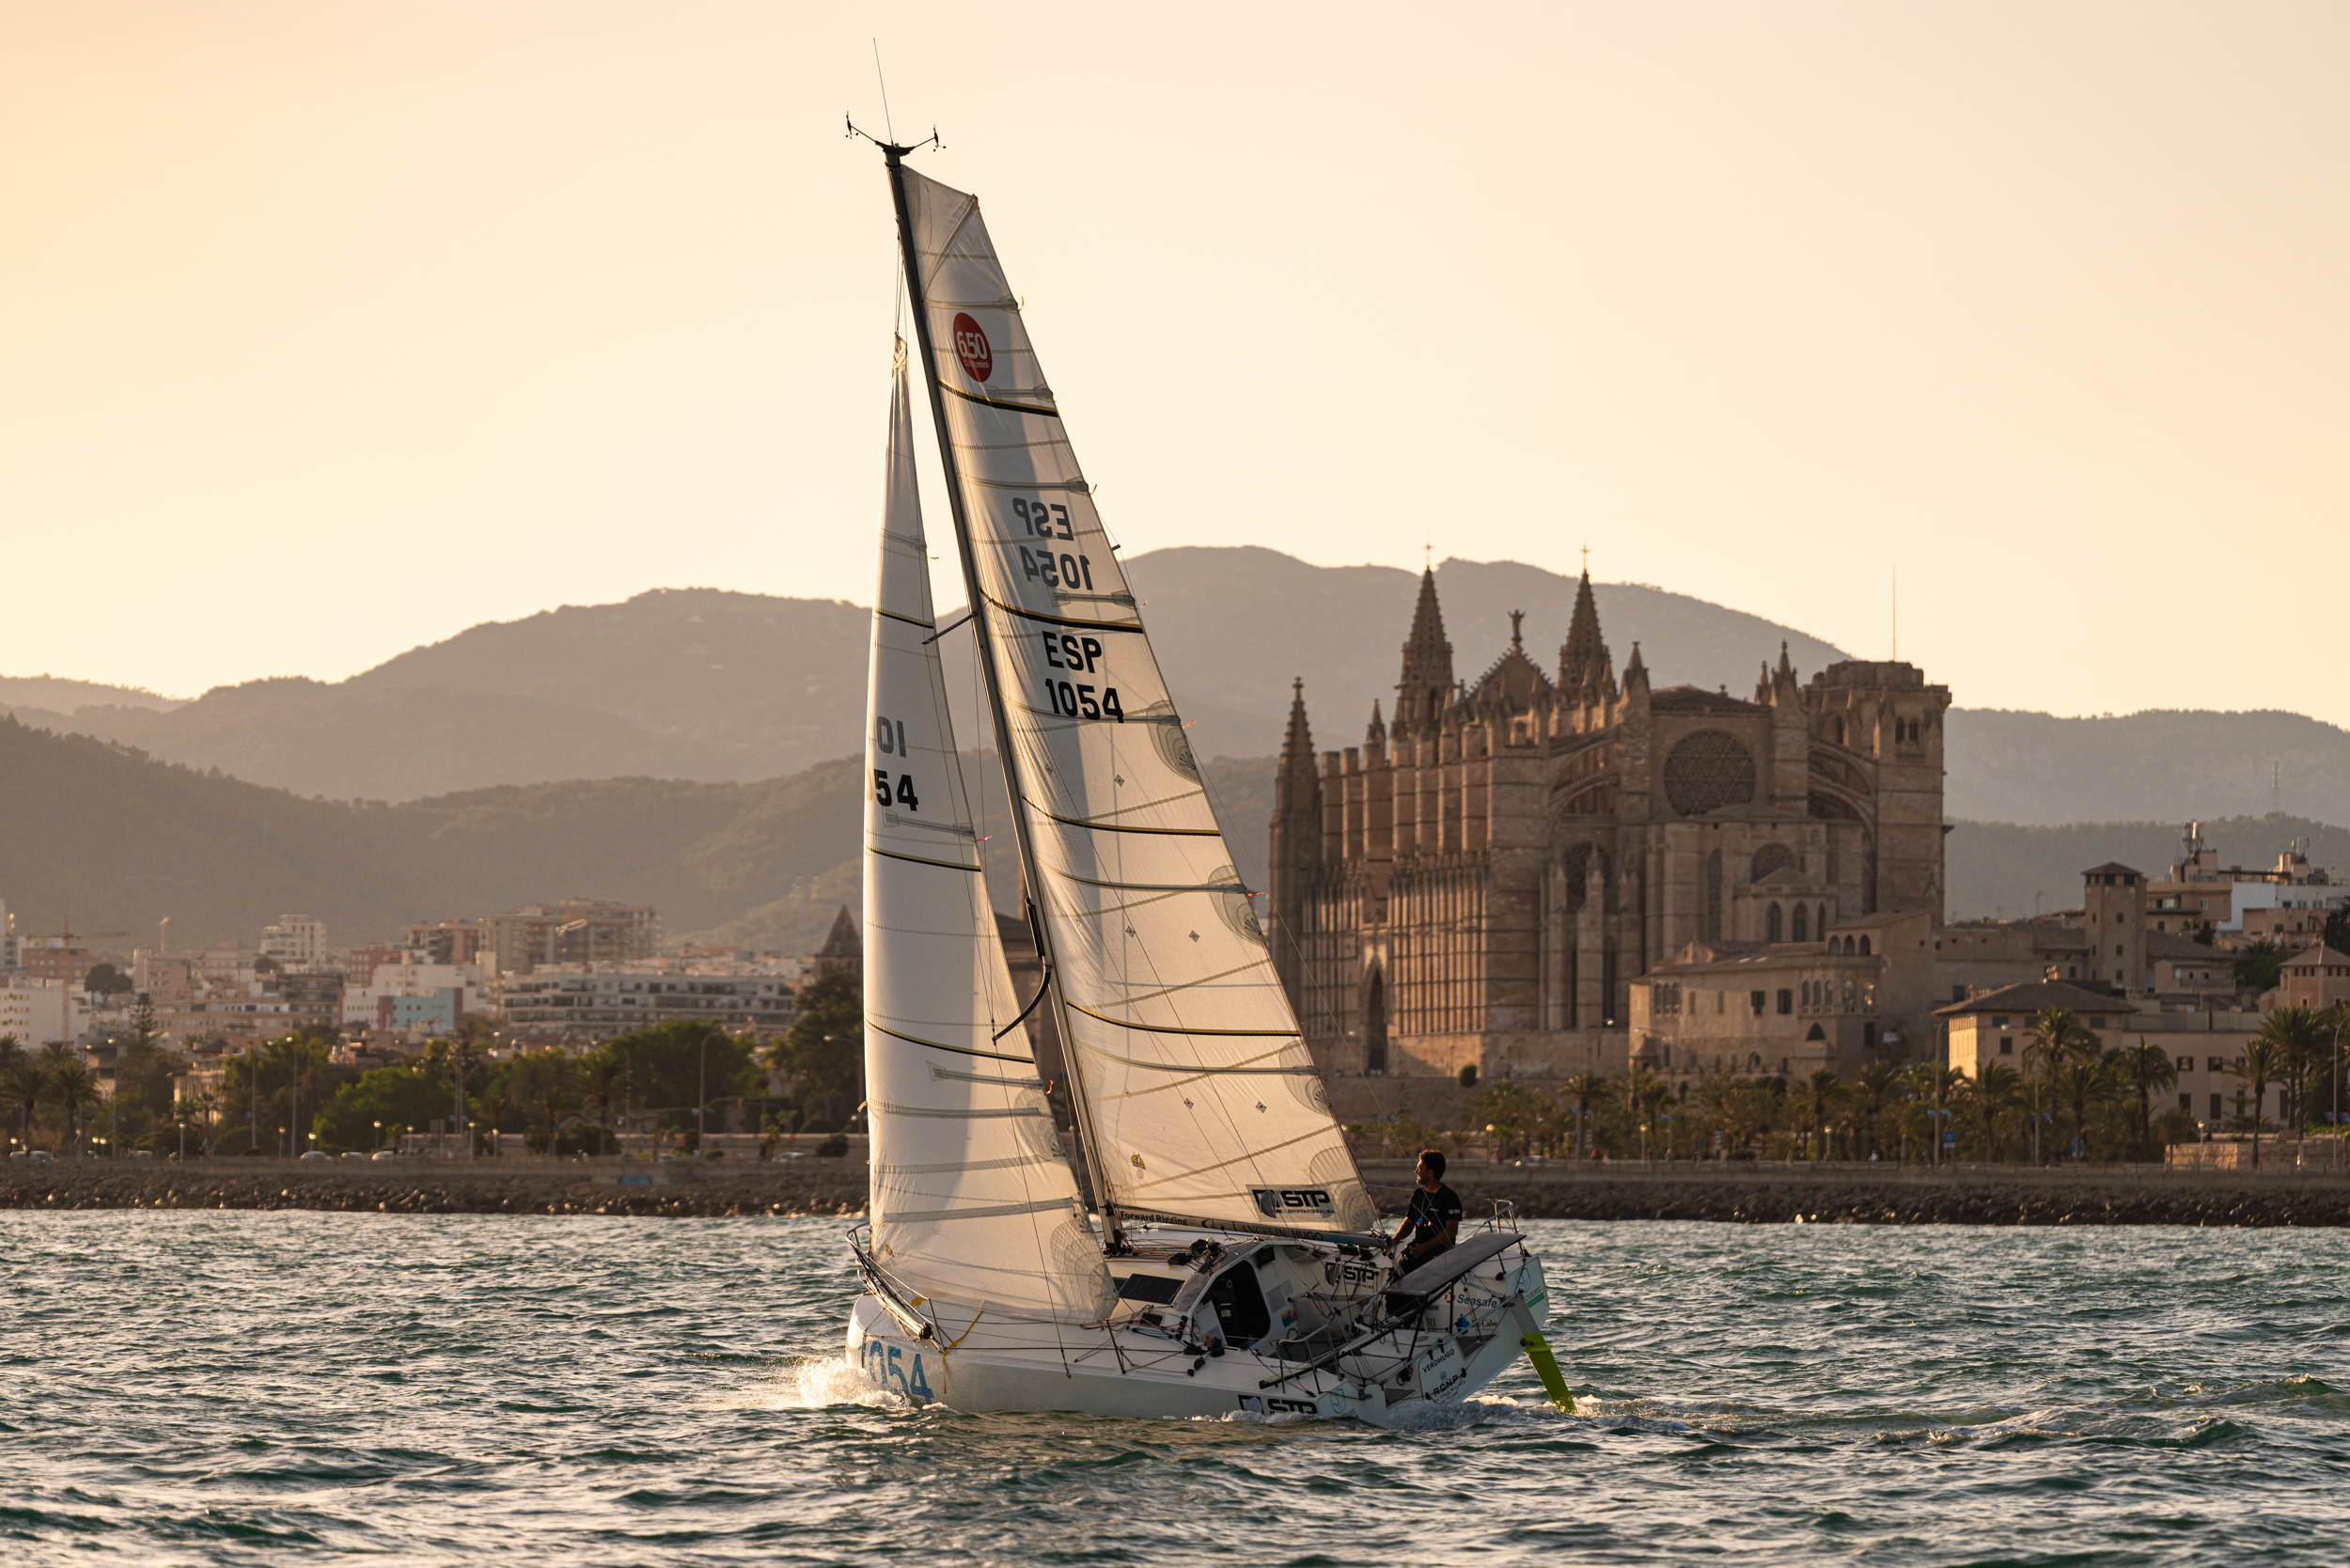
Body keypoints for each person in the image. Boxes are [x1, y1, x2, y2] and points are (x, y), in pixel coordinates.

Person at [1390, 1148, 1462, 1271]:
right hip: (1417, 1248)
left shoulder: (1449, 1197)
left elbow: (1451, 1231)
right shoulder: (1418, 1195)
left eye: (1419, 1168)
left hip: (1439, 1253)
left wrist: (1424, 1247)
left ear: (1429, 1173)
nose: (1415, 1171)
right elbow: (1409, 1223)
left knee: (1416, 1276)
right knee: (1397, 1275)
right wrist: (1395, 1238)